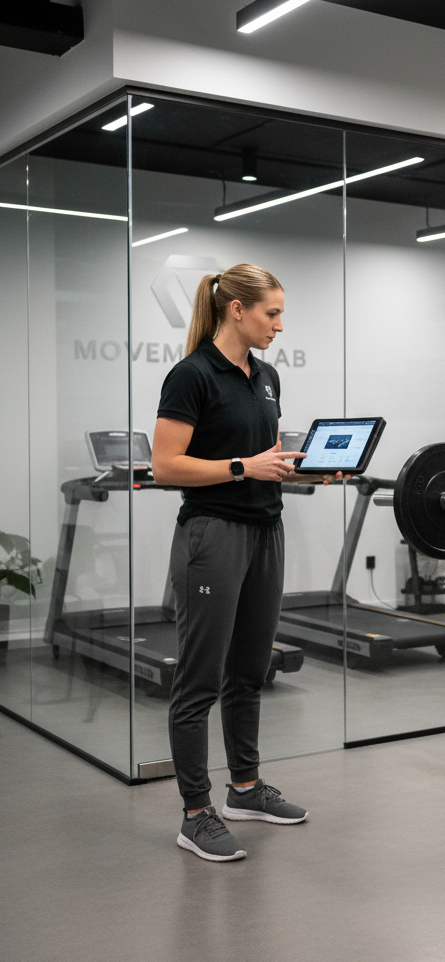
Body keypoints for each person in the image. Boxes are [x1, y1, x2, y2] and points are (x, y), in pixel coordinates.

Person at [152, 263, 339, 863]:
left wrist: (307, 467)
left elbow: (266, 457)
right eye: (271, 313)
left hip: (266, 530)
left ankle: (246, 789)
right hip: (213, 534)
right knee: (199, 680)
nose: (279, 325)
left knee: (250, 671)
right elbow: (165, 467)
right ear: (237, 309)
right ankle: (195, 813)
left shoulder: (266, 376)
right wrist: (241, 468)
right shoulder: (192, 375)